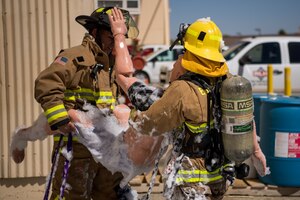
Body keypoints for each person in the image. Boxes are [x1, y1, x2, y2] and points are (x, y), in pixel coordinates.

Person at [110, 15, 268, 199]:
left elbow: (150, 123)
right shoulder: (229, 83)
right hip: (220, 174)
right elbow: (244, 118)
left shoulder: (182, 91)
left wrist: (128, 116)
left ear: (191, 52)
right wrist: (256, 151)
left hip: (192, 181)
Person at [33, 7, 138, 200]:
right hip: (76, 148)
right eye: (110, 37)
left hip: (107, 149)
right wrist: (60, 118)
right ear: (95, 32)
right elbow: (46, 83)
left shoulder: (112, 64)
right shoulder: (76, 57)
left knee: (108, 195)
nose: (114, 45)